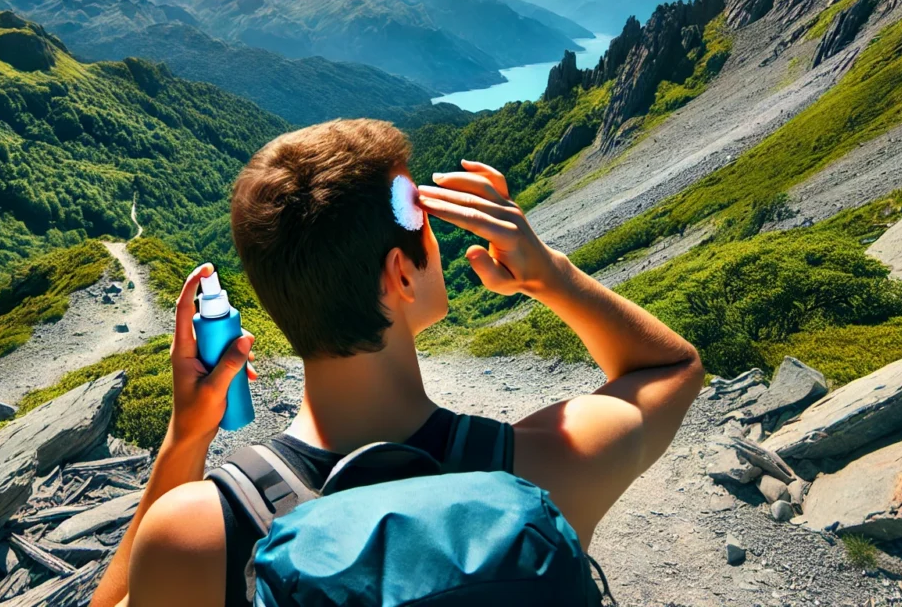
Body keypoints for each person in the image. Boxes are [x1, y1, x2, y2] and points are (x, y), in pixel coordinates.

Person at [89, 119, 703, 607]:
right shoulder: (547, 465)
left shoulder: (198, 533)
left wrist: (186, 434)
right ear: (401, 274)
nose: (435, 240)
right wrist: (551, 275)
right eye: (428, 229)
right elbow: (671, 368)